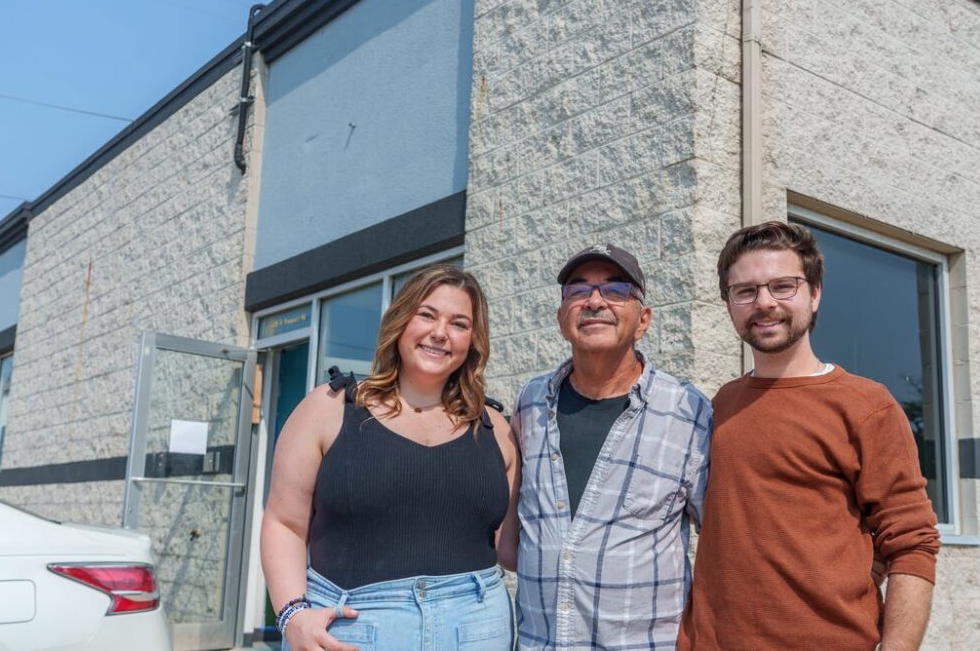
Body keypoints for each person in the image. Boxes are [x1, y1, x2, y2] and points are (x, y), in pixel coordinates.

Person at [679, 221, 941, 650]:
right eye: (744, 291)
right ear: (729, 304)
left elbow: (912, 544)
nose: (764, 303)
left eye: (783, 286)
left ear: (815, 294)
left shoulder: (865, 405)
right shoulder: (721, 404)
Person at [261, 264, 521, 651]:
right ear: (400, 321)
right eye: (427, 315)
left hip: (477, 628)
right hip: (352, 629)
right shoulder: (330, 408)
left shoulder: (496, 428)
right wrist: (292, 615)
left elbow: (513, 547)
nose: (440, 333)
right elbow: (284, 524)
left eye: (459, 324)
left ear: (473, 341)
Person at [503, 243, 713, 650]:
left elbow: (720, 541)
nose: (595, 301)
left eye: (615, 290)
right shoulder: (530, 402)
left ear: (644, 320)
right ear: (561, 317)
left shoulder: (687, 412)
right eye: (578, 291)